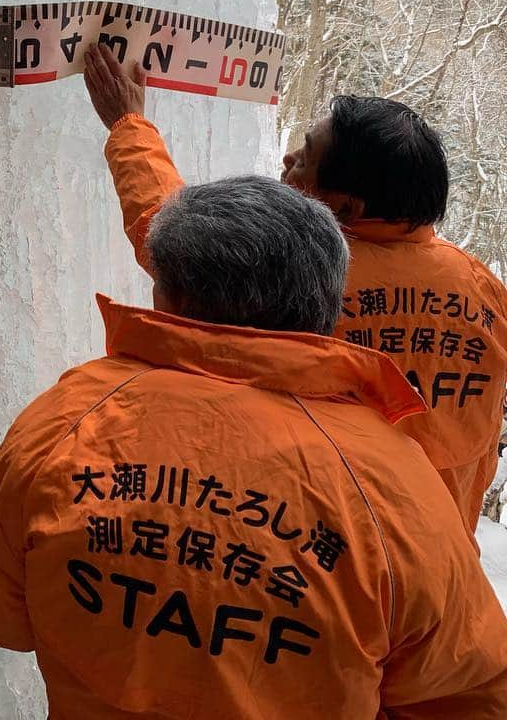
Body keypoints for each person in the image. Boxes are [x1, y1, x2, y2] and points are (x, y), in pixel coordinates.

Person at [0, 172, 507, 718]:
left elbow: (0, 616)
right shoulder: (391, 482)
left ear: (166, 296)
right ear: (327, 303)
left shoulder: (66, 422)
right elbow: (470, 692)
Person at [85, 44, 507, 531]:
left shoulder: (299, 270)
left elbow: (169, 236)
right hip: (437, 554)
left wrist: (128, 125)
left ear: (345, 209)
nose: (287, 158)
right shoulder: (485, 289)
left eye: (306, 158)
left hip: (315, 542)